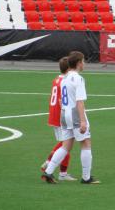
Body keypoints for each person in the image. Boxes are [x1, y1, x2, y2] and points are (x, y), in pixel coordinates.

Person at [42, 51, 100, 184]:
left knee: (66, 145)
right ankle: (86, 177)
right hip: (74, 114)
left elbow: (62, 100)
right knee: (85, 143)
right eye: (83, 61)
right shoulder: (78, 78)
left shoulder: (65, 78)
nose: (84, 64)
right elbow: (79, 101)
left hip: (64, 113)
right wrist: (83, 120)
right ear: (79, 63)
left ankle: (49, 172)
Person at [40, 57, 77, 181]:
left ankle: (63, 173)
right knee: (65, 144)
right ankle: (49, 162)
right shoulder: (65, 81)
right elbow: (62, 101)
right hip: (60, 115)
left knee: (65, 144)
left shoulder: (56, 79)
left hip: (53, 114)